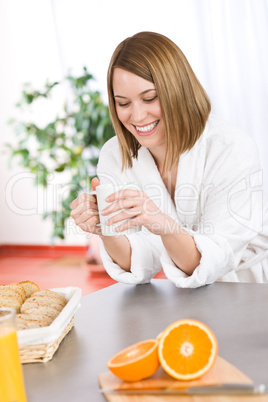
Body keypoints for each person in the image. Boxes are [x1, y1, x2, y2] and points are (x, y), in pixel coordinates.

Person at [71, 31, 268, 287]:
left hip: (255, 286)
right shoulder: (114, 156)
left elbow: (212, 259)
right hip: (192, 295)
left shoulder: (231, 149)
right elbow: (140, 259)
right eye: (123, 103)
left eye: (150, 98)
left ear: (177, 89)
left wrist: (165, 225)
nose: (138, 116)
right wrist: (105, 228)